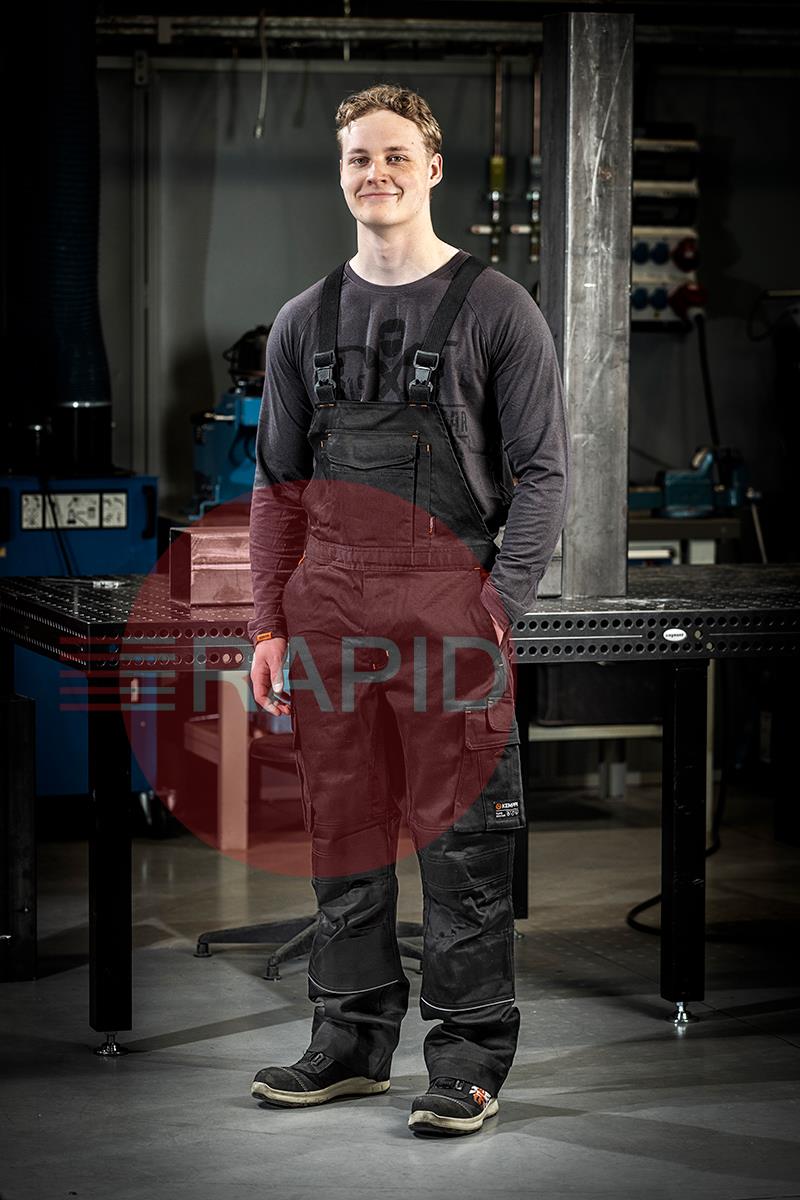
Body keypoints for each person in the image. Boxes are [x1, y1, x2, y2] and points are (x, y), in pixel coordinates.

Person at [247, 83, 569, 1137]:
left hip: (448, 614)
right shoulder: (304, 321)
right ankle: (348, 1042)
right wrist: (266, 625)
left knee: (463, 845)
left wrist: (496, 609)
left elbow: (543, 477)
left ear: (431, 169)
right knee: (342, 834)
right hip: (329, 613)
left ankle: (467, 1057)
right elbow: (275, 487)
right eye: (357, 158)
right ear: (339, 175)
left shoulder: (497, 309)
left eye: (394, 156)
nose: (374, 173)